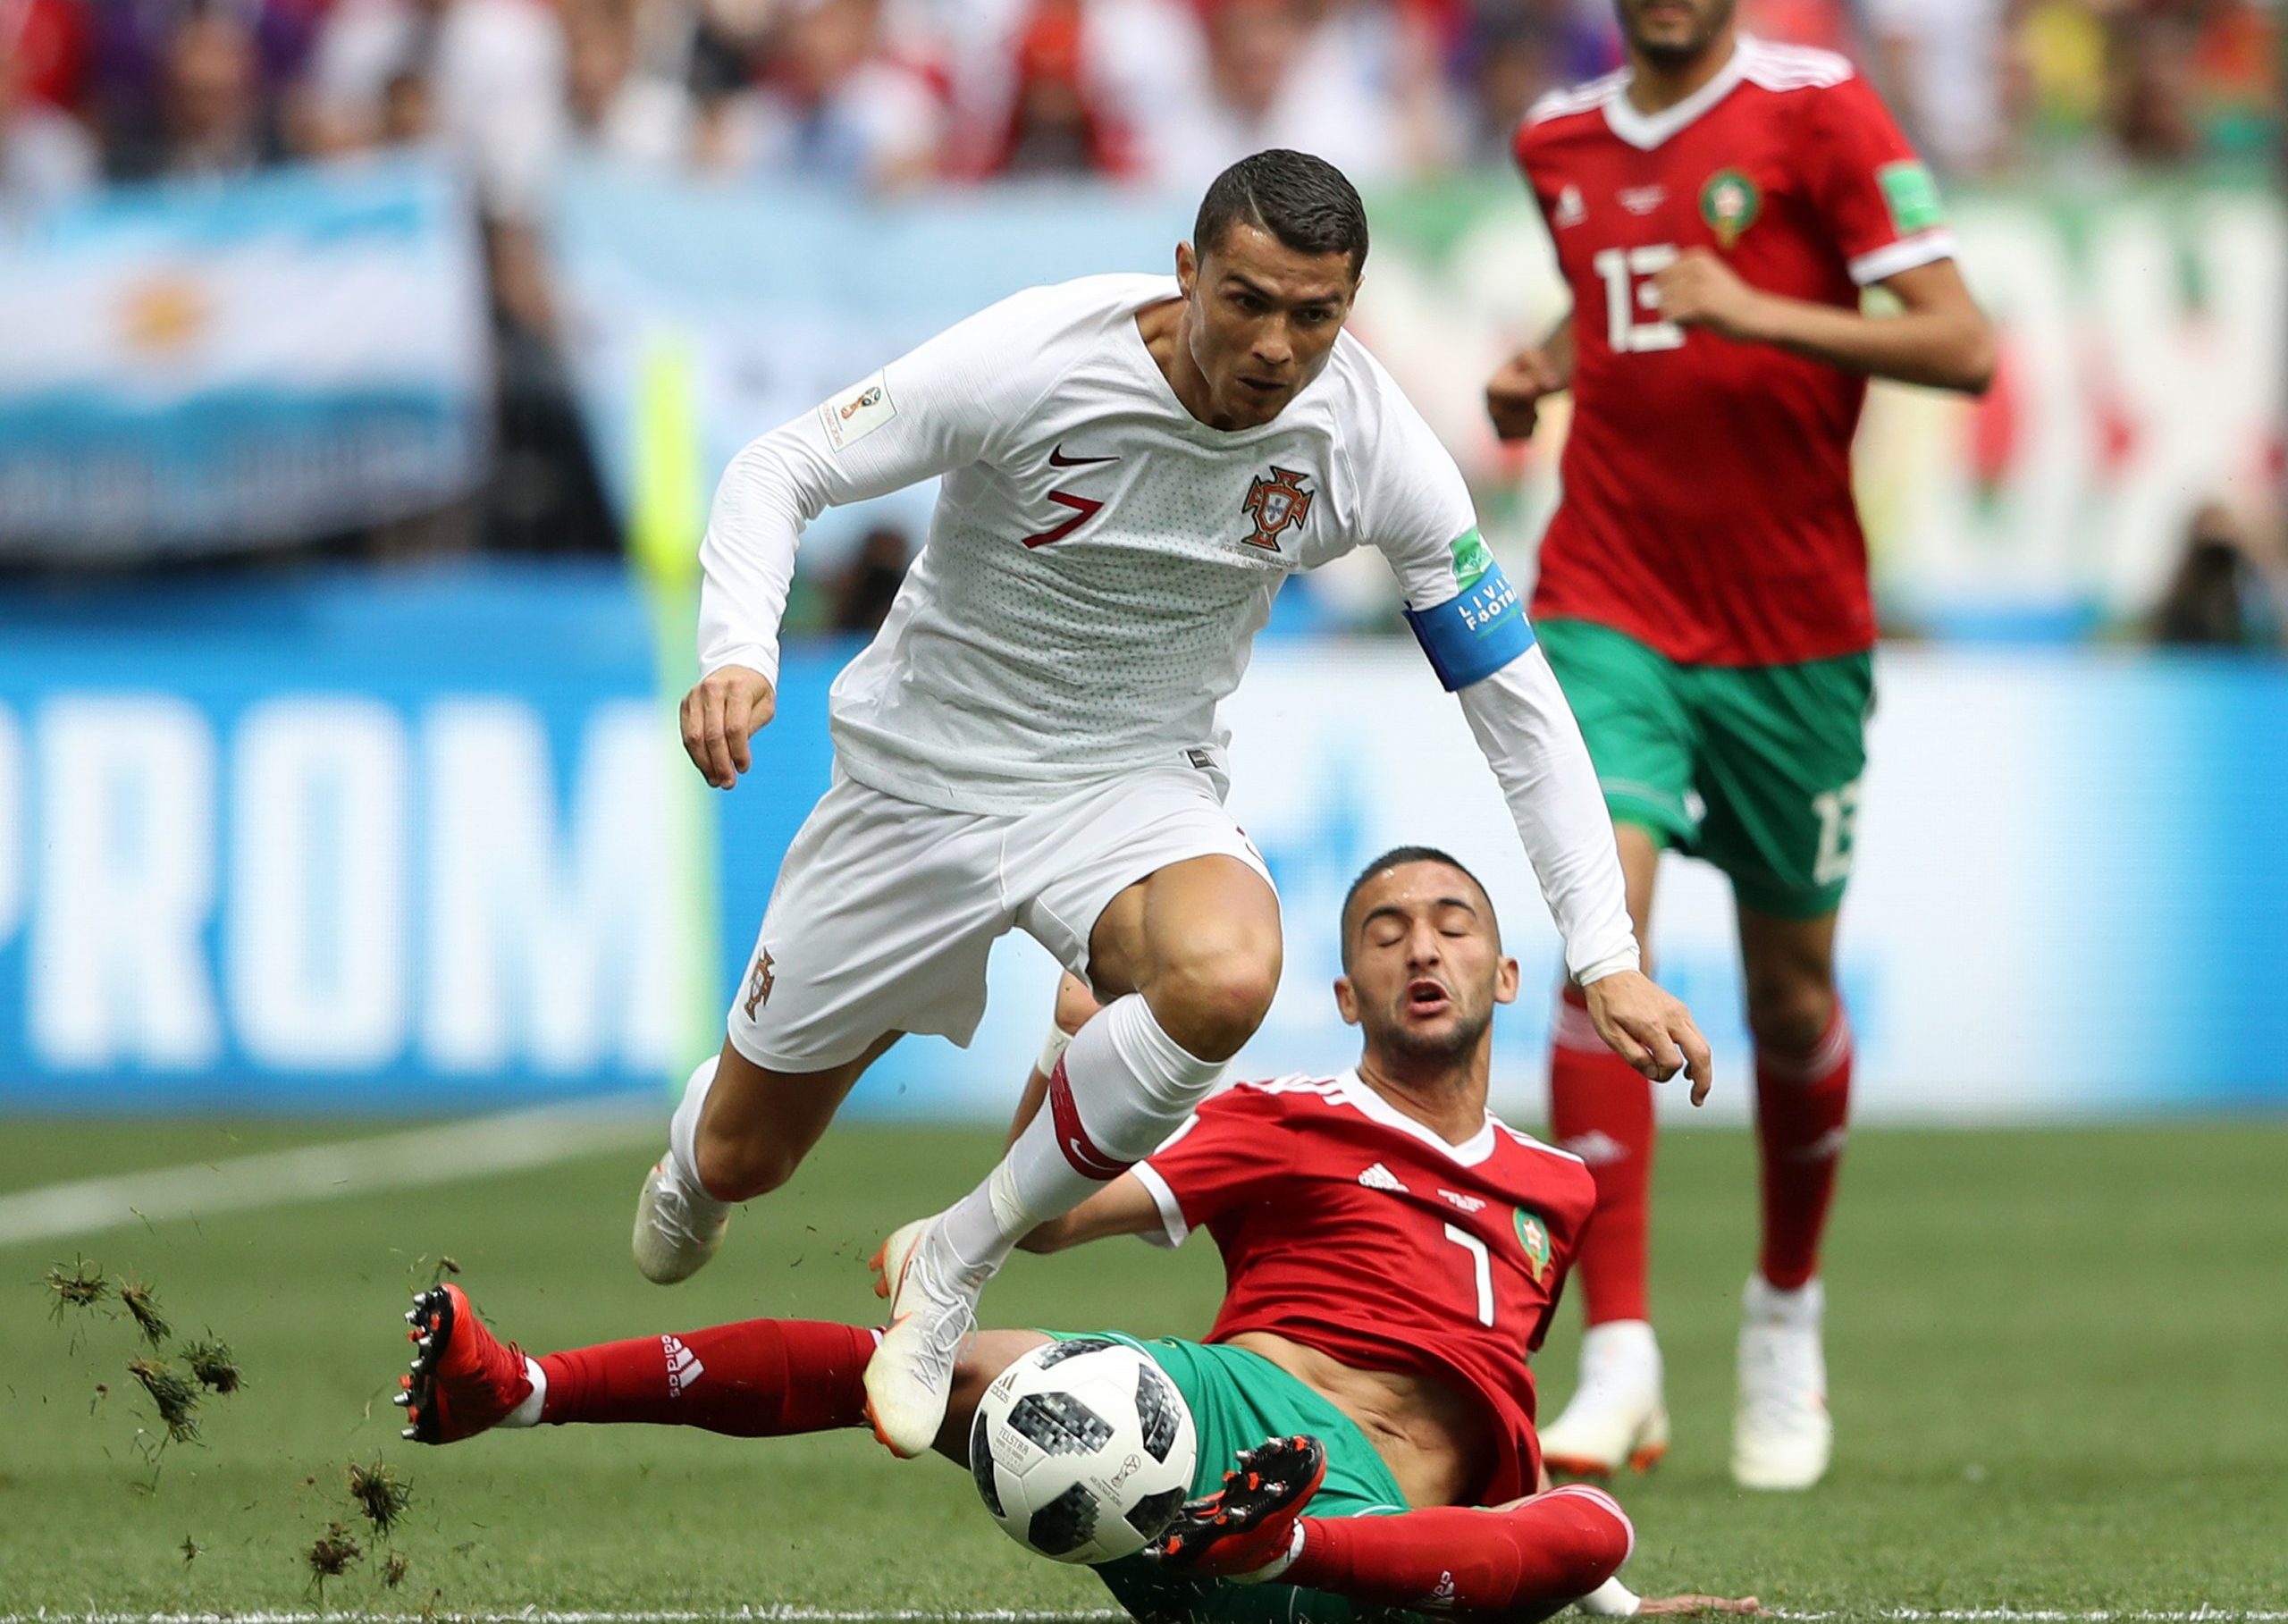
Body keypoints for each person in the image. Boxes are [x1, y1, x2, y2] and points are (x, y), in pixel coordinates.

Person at [644, 147, 1712, 1464]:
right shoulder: (1039, 354)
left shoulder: (1374, 445)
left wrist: (1605, 953)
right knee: (750, 1159)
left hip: (1131, 788)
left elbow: (1516, 702)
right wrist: (739, 647)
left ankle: (955, 1264)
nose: (1275, 346)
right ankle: (700, 1152)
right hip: (918, 785)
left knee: (1229, 969)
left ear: (1352, 304)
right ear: (1186, 272)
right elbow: (781, 463)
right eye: (1248, 301)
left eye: (1314, 315)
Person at [396, 848, 1756, 1623]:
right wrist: (1063, 1058)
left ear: (1506, 973)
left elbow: (1497, 1412)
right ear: (1344, 989)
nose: (1423, 950)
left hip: (1367, 1523)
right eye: (1388, 931)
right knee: (956, 1363)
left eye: (1453, 927)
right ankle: (516, 1390)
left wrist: (1620, 1610)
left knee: (1594, 1526)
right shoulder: (1280, 1113)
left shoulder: (1553, 1192)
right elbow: (1046, 1218)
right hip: (1228, 1422)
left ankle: (1279, 1549)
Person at [1487, 0, 1995, 1491]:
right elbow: (1619, 301)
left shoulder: (1821, 106)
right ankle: (1619, 1351)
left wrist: (1764, 312)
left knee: (1788, 997)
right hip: (1608, 599)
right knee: (1603, 924)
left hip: (1794, 629)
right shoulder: (1555, 139)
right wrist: (1543, 363)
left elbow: (1961, 343)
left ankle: (1784, 1310)